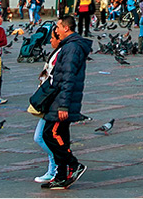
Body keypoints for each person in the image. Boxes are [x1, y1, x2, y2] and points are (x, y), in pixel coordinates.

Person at [40, 16, 90, 189]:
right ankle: (61, 175)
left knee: (50, 134)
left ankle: (74, 165)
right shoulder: (69, 46)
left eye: (58, 26)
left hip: (62, 99)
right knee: (60, 135)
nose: (55, 29)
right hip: (59, 96)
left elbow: (68, 78)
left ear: (66, 28)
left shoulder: (72, 47)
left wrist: (63, 105)